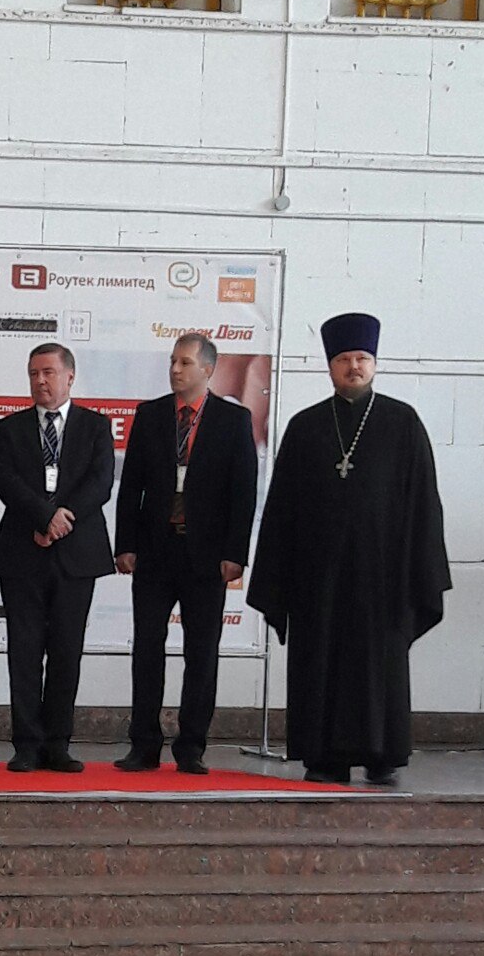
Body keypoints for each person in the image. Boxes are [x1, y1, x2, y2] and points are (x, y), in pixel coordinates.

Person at [247, 310, 450, 786]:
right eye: (344, 359)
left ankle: (382, 755)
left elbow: (424, 504)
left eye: (362, 358)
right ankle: (324, 758)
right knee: (321, 663)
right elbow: (282, 510)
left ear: (374, 363)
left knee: (379, 666)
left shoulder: (403, 423)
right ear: (330, 366)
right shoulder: (305, 426)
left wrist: (420, 573)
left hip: (383, 578)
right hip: (318, 579)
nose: (354, 367)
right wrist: (278, 579)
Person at [113, 333, 258, 777]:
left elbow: (244, 492)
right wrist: (125, 544)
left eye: (185, 363)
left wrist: (235, 553)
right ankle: (143, 744)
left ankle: (191, 746)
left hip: (206, 557)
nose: (175, 370)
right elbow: (130, 486)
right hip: (155, 552)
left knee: (202, 653)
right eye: (173, 361)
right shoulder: (150, 414)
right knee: (146, 649)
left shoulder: (234, 420)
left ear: (208, 370)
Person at [0, 342, 115, 773]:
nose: (40, 381)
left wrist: (63, 519)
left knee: (66, 651)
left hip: (77, 554)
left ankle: (57, 743)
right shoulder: (11, 428)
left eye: (48, 372)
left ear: (70, 376)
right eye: (33, 373)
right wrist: (44, 518)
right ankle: (26, 744)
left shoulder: (96, 426)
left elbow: (101, 482)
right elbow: (6, 481)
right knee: (24, 652)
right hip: (23, 552)